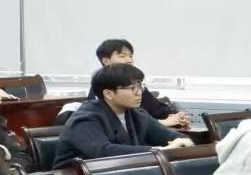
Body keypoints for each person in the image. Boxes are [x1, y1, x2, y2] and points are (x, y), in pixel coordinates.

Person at [54, 64, 191, 168]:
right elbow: (103, 151)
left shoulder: (137, 113)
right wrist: (160, 150)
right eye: (132, 88)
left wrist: (182, 141)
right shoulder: (85, 118)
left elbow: (170, 136)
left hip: (121, 173)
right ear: (108, 94)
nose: (139, 92)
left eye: (140, 86)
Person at [87, 39, 190, 128]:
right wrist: (163, 123)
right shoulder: (100, 87)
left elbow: (156, 108)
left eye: (131, 56)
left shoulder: (135, 84)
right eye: (122, 56)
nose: (129, 60)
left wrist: (175, 116)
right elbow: (119, 123)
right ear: (106, 61)